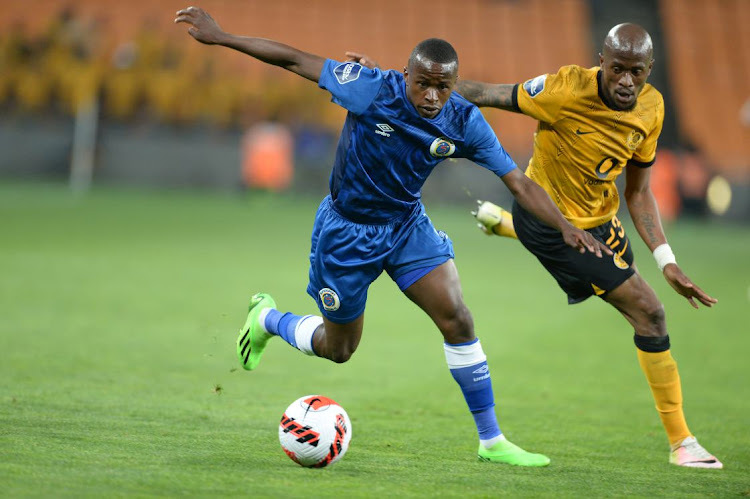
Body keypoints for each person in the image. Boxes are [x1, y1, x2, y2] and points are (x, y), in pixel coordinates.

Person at [175, 6, 609, 466]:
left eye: (443, 86)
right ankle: (267, 320)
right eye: (423, 83)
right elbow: (295, 60)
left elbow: (518, 183)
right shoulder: (370, 88)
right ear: (406, 75)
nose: (432, 95)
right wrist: (222, 38)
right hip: (346, 233)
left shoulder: (463, 121)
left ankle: (492, 441)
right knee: (338, 349)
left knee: (458, 318)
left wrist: (565, 227)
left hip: (406, 227)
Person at [414, 23, 722, 468]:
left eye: (636, 72)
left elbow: (637, 192)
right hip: (550, 222)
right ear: (602, 61)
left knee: (630, 292)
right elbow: (488, 92)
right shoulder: (563, 90)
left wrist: (666, 259)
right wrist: (410, 83)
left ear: (649, 70)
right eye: (617, 69)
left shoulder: (652, 108)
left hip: (601, 223)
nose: (625, 81)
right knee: (650, 313)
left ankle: (506, 227)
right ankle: (682, 444)